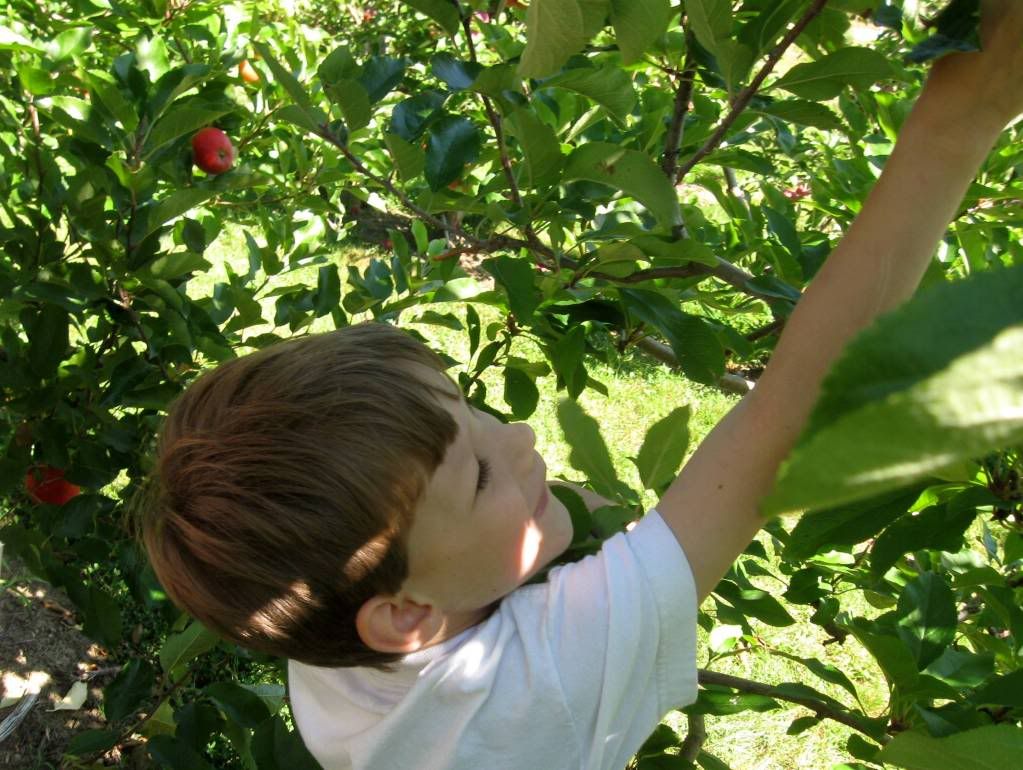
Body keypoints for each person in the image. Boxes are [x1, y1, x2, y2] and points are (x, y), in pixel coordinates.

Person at [136, 3, 1023, 768]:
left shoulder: (330, 630)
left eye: (472, 411)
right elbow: (793, 409)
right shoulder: (535, 688)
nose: (519, 438)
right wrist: (965, 111)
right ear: (405, 617)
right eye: (480, 474)